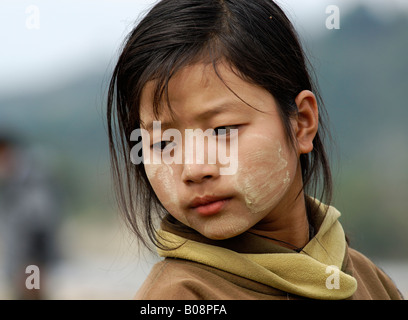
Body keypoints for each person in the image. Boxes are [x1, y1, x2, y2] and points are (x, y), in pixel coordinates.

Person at [106, 0, 403, 300]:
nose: (194, 169)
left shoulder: (368, 280)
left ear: (302, 123)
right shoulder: (180, 297)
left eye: (222, 130)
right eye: (163, 143)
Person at [0, 130, 62, 299]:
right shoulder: (8, 182)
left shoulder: (31, 180)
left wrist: (32, 264)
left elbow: (40, 222)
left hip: (29, 261)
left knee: (32, 294)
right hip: (20, 262)